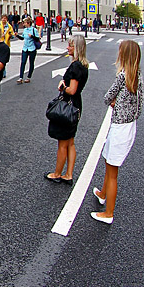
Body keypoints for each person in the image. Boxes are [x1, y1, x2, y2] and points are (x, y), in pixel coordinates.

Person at [92, 40, 144, 224]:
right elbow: (139, 105)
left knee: (112, 170)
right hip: (128, 126)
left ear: (124, 55)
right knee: (109, 161)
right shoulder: (137, 75)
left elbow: (108, 96)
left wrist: (115, 103)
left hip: (119, 127)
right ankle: (103, 193)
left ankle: (108, 213)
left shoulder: (123, 75)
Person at [46, 35, 89, 184]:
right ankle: (68, 174)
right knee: (70, 142)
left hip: (68, 105)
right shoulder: (83, 65)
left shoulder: (76, 66)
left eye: (70, 45)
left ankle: (57, 173)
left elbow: (72, 90)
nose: (67, 48)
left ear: (77, 48)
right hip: (76, 105)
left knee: (63, 143)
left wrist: (62, 86)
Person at [16, 17, 40, 84]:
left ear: (28, 23)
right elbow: (22, 38)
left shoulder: (34, 30)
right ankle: (20, 77)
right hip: (25, 48)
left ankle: (28, 77)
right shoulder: (25, 30)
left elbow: (37, 39)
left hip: (32, 48)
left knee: (31, 63)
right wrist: (17, 36)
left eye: (24, 22)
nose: (23, 24)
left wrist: (32, 36)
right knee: (23, 62)